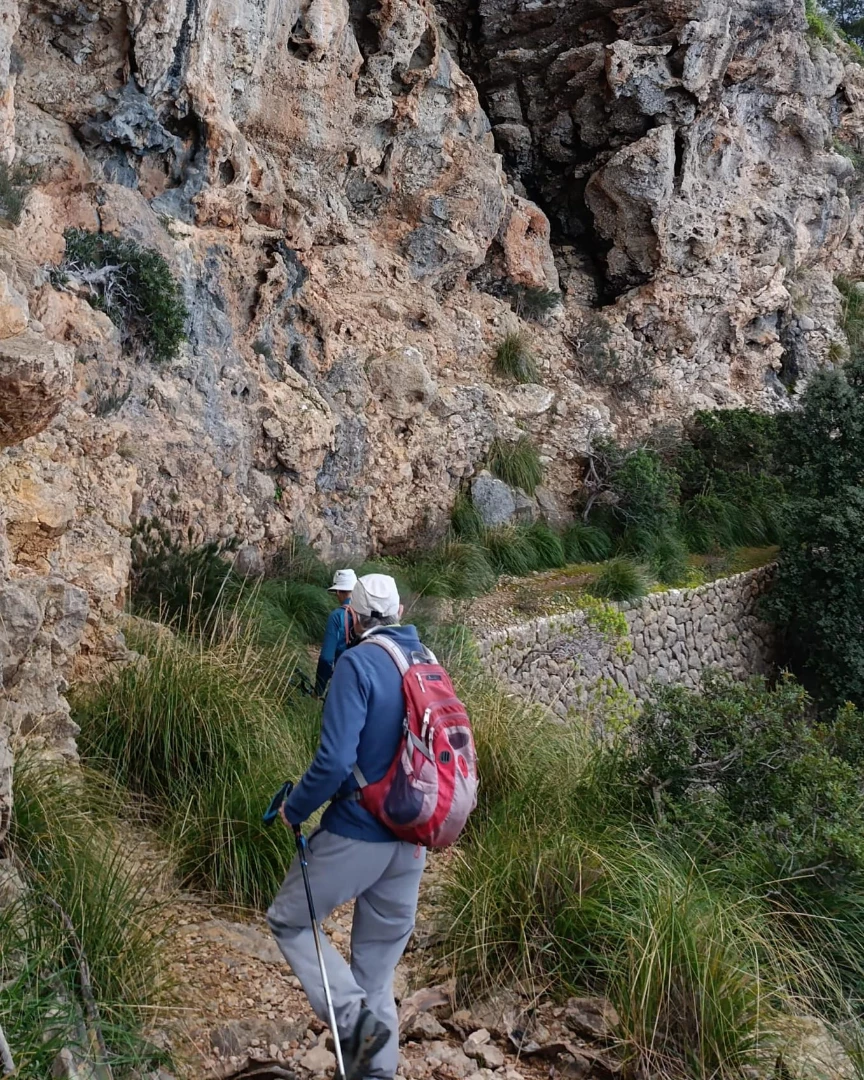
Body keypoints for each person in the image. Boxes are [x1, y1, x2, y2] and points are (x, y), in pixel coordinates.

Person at [267, 573, 426, 1080]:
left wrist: (296, 808)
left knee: (289, 919)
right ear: (398, 611)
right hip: (413, 840)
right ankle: (374, 1071)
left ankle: (354, 1027)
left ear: (353, 618)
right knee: (375, 971)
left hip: (359, 830)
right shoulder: (424, 663)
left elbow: (335, 760)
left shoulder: (357, 663)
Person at [315, 568, 358, 697]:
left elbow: (326, 659)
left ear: (338, 592)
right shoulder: (368, 613)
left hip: (344, 679)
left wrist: (319, 690)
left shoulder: (337, 616)